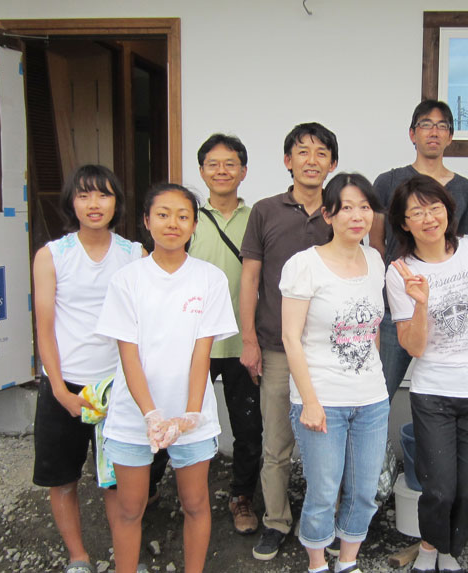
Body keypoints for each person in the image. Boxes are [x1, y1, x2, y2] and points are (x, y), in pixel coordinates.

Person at [96, 183, 237, 573]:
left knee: (195, 504)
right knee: (129, 507)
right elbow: (130, 357)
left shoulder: (210, 280)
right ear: (146, 221)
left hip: (191, 416)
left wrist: (190, 415)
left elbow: (200, 356)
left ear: (194, 225)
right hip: (132, 415)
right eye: (162, 214)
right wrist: (151, 416)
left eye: (182, 216)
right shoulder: (128, 280)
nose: (172, 223)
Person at [385, 175, 468, 573]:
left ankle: (449, 548)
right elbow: (414, 347)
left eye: (434, 207)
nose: (428, 217)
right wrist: (421, 303)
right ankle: (432, 547)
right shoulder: (400, 272)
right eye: (416, 211)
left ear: (448, 211)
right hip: (433, 392)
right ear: (404, 222)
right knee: (438, 488)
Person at [32, 164, 144, 573]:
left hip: (118, 386)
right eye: (84, 195)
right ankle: (78, 557)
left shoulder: (134, 253)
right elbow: (44, 329)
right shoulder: (53, 255)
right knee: (63, 477)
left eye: (103, 195)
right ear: (71, 203)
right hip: (66, 383)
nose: (94, 204)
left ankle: (124, 559)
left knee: (116, 480)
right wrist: (60, 391)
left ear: (117, 202)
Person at [239, 122, 338, 561]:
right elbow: (251, 279)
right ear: (287, 161)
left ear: (333, 164)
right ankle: (276, 521)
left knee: (328, 446)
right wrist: (249, 340)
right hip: (278, 347)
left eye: (321, 153)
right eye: (303, 151)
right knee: (276, 444)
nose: (312, 159)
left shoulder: (341, 212)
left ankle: (323, 524)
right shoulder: (265, 210)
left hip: (331, 352)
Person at [280, 173, 389, 573]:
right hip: (321, 398)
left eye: (365, 207)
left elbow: (372, 329)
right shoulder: (304, 266)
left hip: (371, 400)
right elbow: (291, 338)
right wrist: (309, 401)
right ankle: (316, 563)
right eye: (346, 207)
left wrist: (372, 379)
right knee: (324, 490)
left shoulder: (375, 260)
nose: (357, 216)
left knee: (363, 491)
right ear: (328, 214)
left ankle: (346, 561)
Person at [369, 99, 468, 400]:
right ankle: (376, 447)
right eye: (426, 124)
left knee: (447, 394)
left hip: (446, 306)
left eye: (442, 126)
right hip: (396, 306)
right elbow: (376, 244)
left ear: (450, 137)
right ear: (412, 134)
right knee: (380, 391)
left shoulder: (465, 188)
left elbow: (461, 247)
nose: (434, 132)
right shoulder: (388, 182)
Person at [191, 133, 262, 534]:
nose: (221, 170)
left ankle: (242, 497)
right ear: (202, 171)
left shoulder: (258, 217)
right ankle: (163, 488)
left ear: (243, 171)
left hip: (241, 342)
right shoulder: (187, 218)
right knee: (182, 416)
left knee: (248, 426)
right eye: (213, 164)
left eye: (230, 163)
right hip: (193, 344)